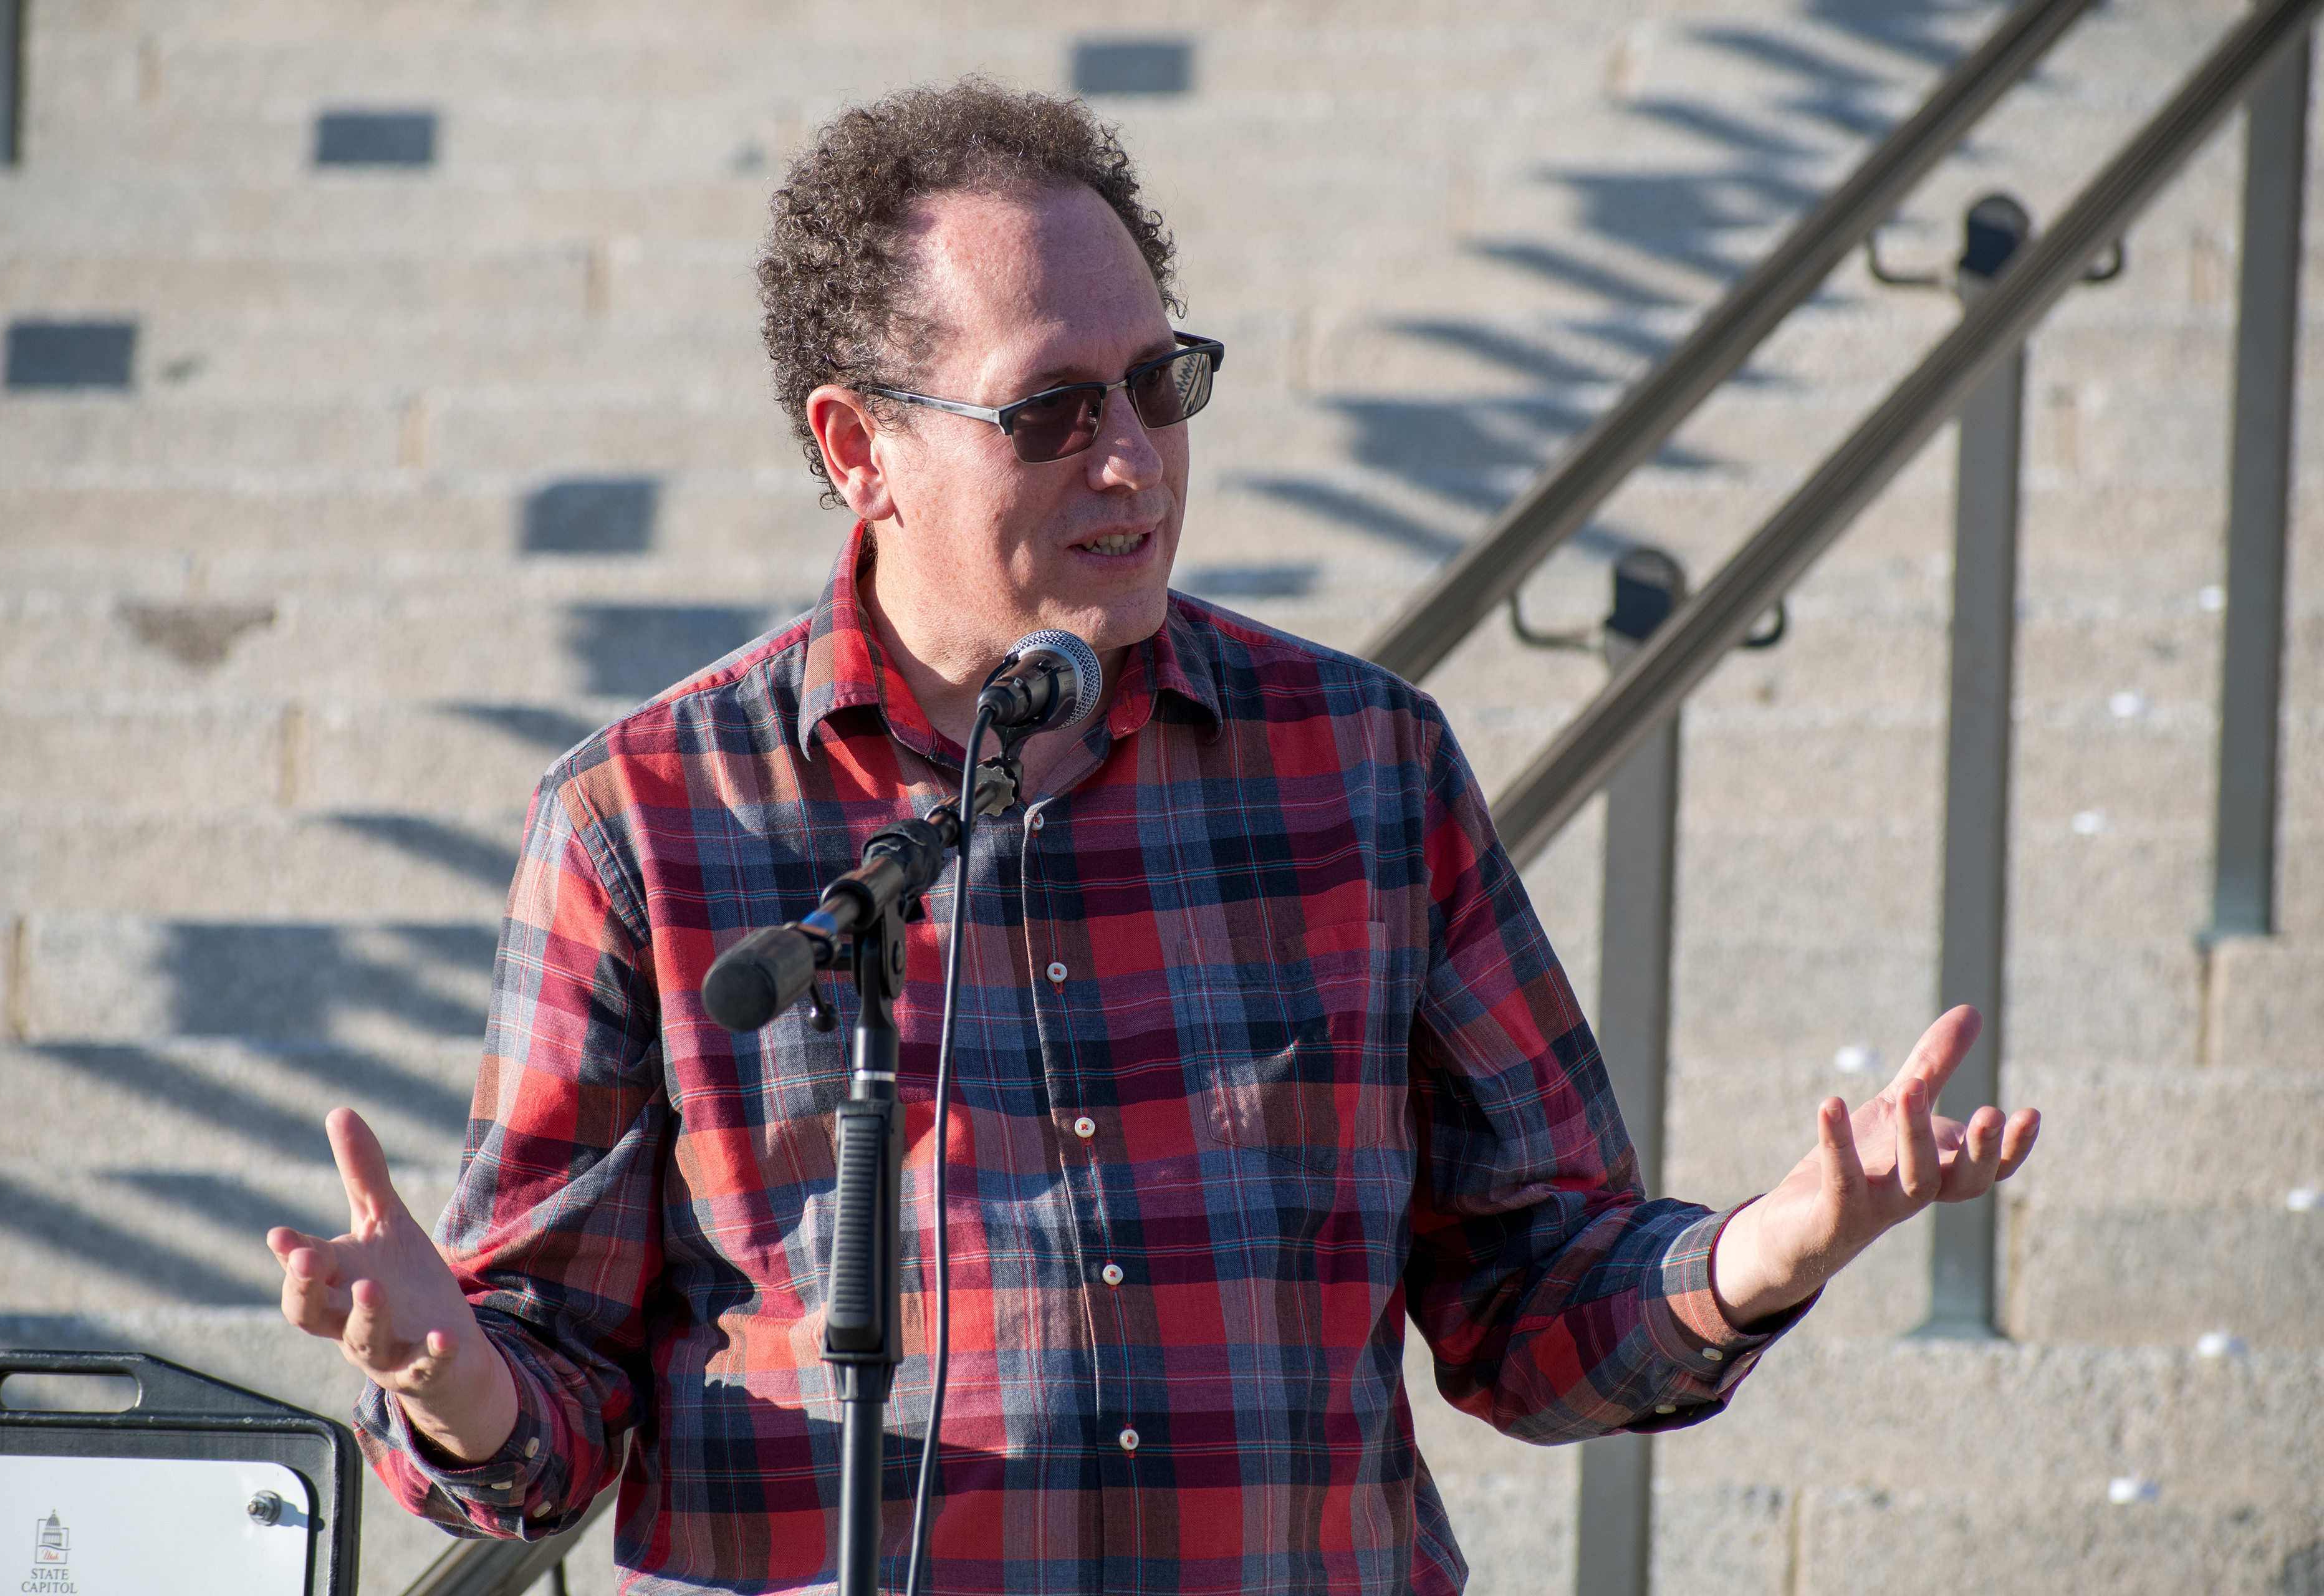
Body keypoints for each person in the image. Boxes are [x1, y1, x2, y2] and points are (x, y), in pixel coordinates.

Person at [267, 80, 2038, 1595]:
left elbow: (1531, 1306)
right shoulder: (645, 823)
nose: (1132, 461)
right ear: (858, 446)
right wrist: (455, 1376)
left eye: (1160, 385)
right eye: (1052, 412)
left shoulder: (1361, 765)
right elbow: (552, 1420)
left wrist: (1768, 1252)